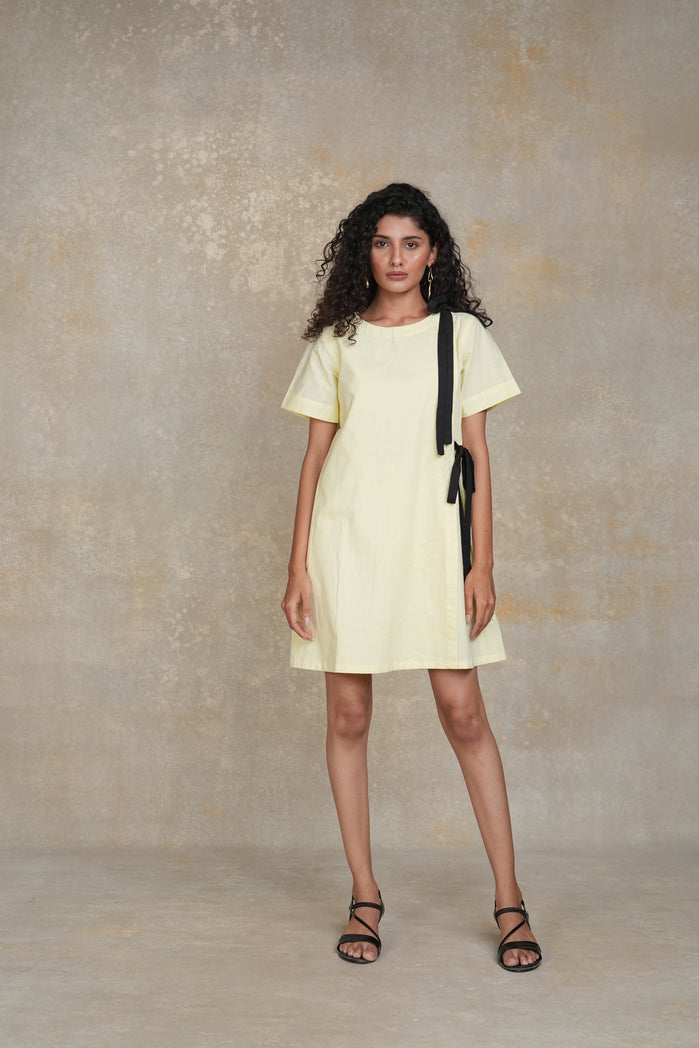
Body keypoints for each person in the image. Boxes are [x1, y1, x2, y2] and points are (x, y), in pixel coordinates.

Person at [280, 183, 542, 972]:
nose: (395, 258)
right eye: (381, 242)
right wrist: (297, 565)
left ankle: (509, 900)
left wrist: (482, 563)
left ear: (433, 254)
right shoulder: (338, 340)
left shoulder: (460, 335)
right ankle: (364, 895)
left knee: (463, 712)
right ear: (362, 251)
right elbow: (316, 457)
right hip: (347, 542)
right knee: (348, 714)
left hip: (433, 545)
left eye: (411, 243)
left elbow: (477, 456)